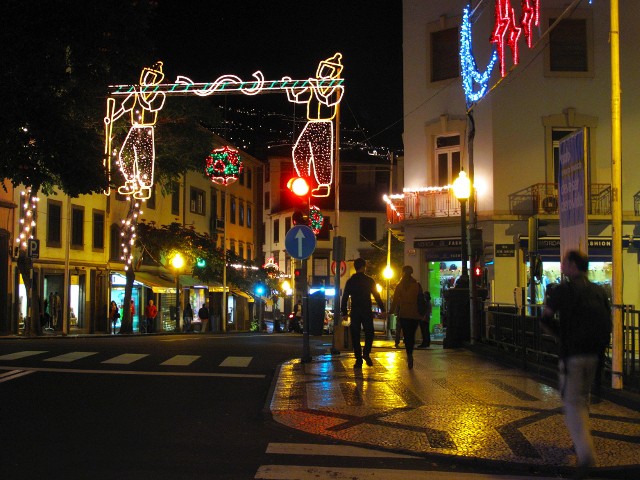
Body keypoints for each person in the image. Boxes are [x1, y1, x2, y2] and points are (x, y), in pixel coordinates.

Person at [541, 250, 611, 479]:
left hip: (572, 355)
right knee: (583, 398)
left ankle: (585, 455)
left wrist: (559, 336)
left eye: (564, 262)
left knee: (573, 405)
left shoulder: (563, 290)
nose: (562, 266)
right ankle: (581, 443)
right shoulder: (599, 291)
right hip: (594, 355)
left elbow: (546, 318)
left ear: (572, 265)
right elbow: (607, 323)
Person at [340, 258, 385, 369]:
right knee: (369, 333)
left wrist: (344, 312)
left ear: (355, 267)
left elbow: (345, 298)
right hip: (366, 310)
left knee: (355, 335)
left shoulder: (350, 281)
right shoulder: (369, 280)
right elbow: (377, 296)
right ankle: (366, 353)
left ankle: (358, 359)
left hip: (355, 311)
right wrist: (383, 309)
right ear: (364, 267)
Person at [390, 266, 424, 369]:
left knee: (407, 335)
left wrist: (390, 312)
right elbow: (421, 299)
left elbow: (395, 301)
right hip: (415, 315)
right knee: (411, 335)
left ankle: (409, 355)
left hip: (404, 314)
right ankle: (410, 353)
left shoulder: (400, 286)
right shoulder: (417, 285)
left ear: (403, 273)